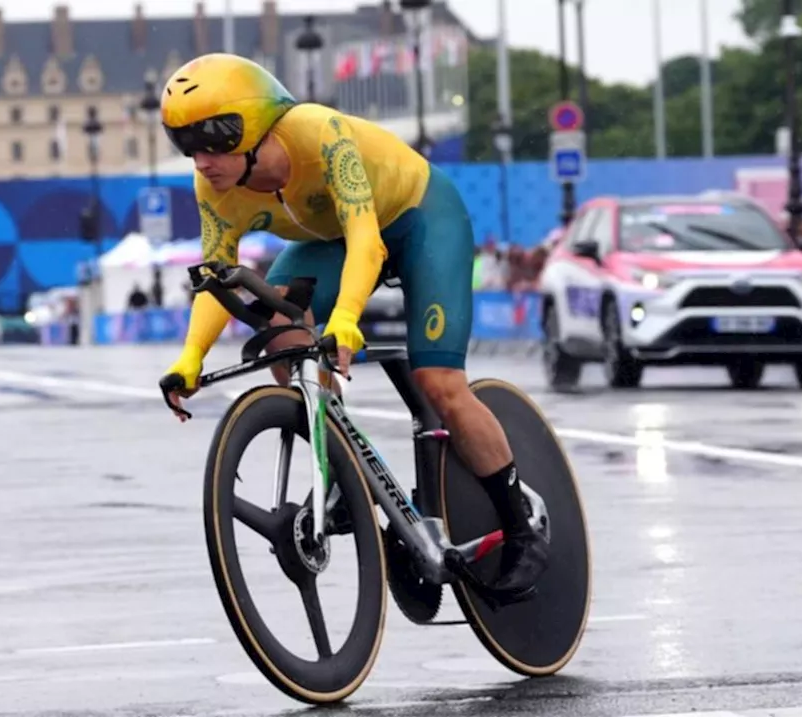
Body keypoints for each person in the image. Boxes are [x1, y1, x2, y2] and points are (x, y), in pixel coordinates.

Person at [157, 53, 547, 603]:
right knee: (283, 337)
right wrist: (190, 358)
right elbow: (217, 280)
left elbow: (367, 238)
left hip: (418, 217)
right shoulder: (215, 189)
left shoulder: (321, 134)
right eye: (186, 144)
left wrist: (344, 321)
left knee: (438, 381)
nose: (201, 161)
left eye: (214, 140)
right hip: (327, 240)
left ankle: (522, 527)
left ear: (258, 125)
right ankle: (344, 471)